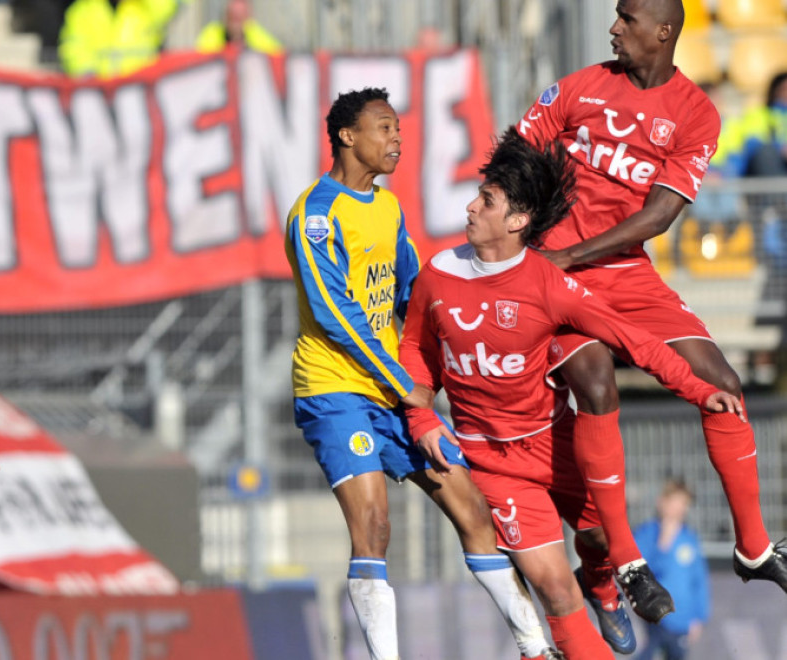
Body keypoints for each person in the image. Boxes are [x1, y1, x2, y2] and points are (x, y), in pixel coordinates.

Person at [397, 128, 741, 660]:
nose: (470, 206)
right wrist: (420, 419)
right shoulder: (437, 275)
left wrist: (699, 389)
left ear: (517, 221)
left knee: (602, 539)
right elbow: (415, 350)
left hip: (555, 445)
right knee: (555, 589)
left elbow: (635, 340)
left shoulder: (548, 283)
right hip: (492, 461)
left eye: (485, 200)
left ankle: (604, 587)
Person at [517, 0, 787, 622]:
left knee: (722, 382)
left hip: (624, 271)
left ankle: (752, 547)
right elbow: (514, 161)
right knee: (595, 381)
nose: (614, 27)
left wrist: (576, 253)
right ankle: (628, 563)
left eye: (627, 18)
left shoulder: (696, 113)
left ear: (663, 31)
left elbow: (660, 215)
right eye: (614, 16)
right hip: (554, 277)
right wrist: (535, 250)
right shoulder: (577, 89)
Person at [287, 87, 555, 660]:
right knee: (375, 525)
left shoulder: (386, 206)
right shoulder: (314, 215)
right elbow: (336, 314)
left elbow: (413, 289)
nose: (396, 140)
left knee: (472, 509)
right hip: (335, 391)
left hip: (393, 393)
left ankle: (536, 648)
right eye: (384, 128)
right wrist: (402, 379)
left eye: (399, 130)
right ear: (346, 136)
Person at [633, 480, 710, 660]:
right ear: (662, 502)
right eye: (676, 502)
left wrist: (699, 616)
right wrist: (663, 545)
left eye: (684, 504)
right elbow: (641, 573)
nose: (680, 509)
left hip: (682, 618)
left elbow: (699, 581)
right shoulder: (646, 534)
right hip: (655, 615)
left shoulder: (689, 539)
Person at [60, 0, 182, 79]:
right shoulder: (83, 10)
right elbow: (73, 48)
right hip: (98, 96)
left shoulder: (147, 8)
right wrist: (90, 79)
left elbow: (173, 4)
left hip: (141, 92)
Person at [712, 71, 787, 179]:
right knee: (766, 153)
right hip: (771, 170)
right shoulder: (759, 114)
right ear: (775, 91)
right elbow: (750, 144)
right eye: (784, 89)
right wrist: (779, 148)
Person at [195, 0, 282, 55]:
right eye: (232, 17)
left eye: (240, 18)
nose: (235, 25)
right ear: (225, 16)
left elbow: (278, 56)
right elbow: (202, 59)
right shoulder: (211, 34)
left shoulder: (258, 35)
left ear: (248, 18)